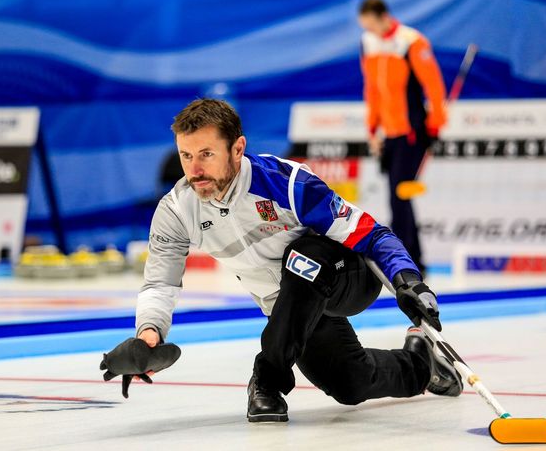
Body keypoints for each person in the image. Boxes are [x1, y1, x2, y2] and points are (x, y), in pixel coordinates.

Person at [134, 98, 461, 423]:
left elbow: (373, 235)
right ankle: (423, 365)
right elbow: (160, 283)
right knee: (349, 383)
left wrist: (408, 281)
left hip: (346, 277)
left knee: (302, 257)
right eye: (186, 156)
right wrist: (149, 333)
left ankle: (267, 379)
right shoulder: (177, 210)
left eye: (206, 154)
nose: (194, 170)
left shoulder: (287, 184)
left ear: (237, 148)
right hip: (290, 307)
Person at [358, 0, 448, 276]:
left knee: (400, 195)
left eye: (372, 25)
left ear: (384, 17)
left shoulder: (411, 41)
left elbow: (433, 87)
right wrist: (372, 129)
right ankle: (411, 259)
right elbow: (372, 89)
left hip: (412, 131)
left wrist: (434, 126)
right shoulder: (368, 43)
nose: (370, 31)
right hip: (389, 134)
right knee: (398, 196)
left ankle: (407, 262)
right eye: (365, 27)